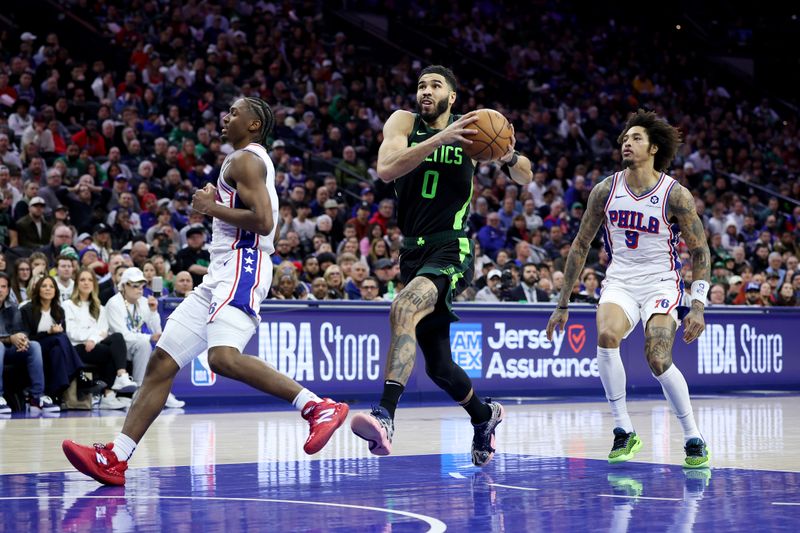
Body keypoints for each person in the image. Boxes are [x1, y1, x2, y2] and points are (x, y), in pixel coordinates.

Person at [63, 97, 348, 485]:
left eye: (235, 112)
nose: (226, 116)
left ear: (254, 125)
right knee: (162, 362)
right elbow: (268, 224)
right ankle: (117, 456)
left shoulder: (246, 160)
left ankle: (317, 407)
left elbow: (264, 224)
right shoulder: (248, 162)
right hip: (221, 270)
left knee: (223, 358)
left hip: (242, 263)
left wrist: (208, 208)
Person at [350, 65, 532, 466]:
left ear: (453, 97)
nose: (426, 91)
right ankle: (485, 418)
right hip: (412, 252)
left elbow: (524, 176)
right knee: (440, 368)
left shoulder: (472, 130)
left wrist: (509, 154)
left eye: (436, 86)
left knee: (403, 306)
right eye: (421, 85)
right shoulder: (404, 122)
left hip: (452, 247)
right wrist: (439, 138)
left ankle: (385, 415)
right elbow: (387, 168)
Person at [546, 109, 711, 469]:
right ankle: (623, 429)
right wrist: (562, 303)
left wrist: (697, 305)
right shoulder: (605, 190)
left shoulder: (675, 194)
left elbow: (700, 250)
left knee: (657, 358)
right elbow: (580, 244)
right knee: (605, 335)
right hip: (620, 278)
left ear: (653, 147)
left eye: (635, 138)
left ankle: (693, 436)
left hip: (661, 281)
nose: (627, 143)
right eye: (624, 138)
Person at [65, 268, 137, 410]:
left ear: (94, 284)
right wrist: (93, 336)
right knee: (111, 350)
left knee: (116, 338)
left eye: (90, 280)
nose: (86, 283)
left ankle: (118, 379)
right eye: (82, 280)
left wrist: (92, 339)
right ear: (77, 284)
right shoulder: (68, 305)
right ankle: (109, 392)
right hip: (76, 348)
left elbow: (103, 331)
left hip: (94, 346)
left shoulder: (100, 308)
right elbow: (72, 332)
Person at [0, 272, 59, 414]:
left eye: (3, 286)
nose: (0, 290)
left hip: (11, 351)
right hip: (2, 347)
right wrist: (10, 339)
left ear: (8, 290)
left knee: (34, 346)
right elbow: (10, 338)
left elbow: (21, 331)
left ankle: (36, 397)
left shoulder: (13, 308)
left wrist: (22, 340)